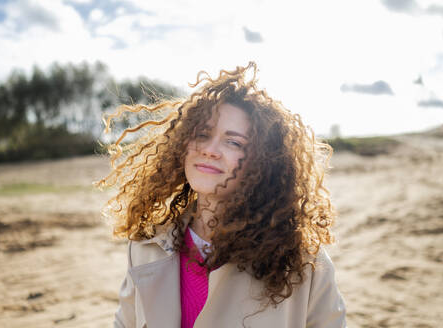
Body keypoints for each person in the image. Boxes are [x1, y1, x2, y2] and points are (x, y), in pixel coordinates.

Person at [97, 62, 347, 328]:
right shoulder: (145, 245)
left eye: (233, 142)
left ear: (263, 162)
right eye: (202, 134)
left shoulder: (303, 262)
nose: (210, 150)